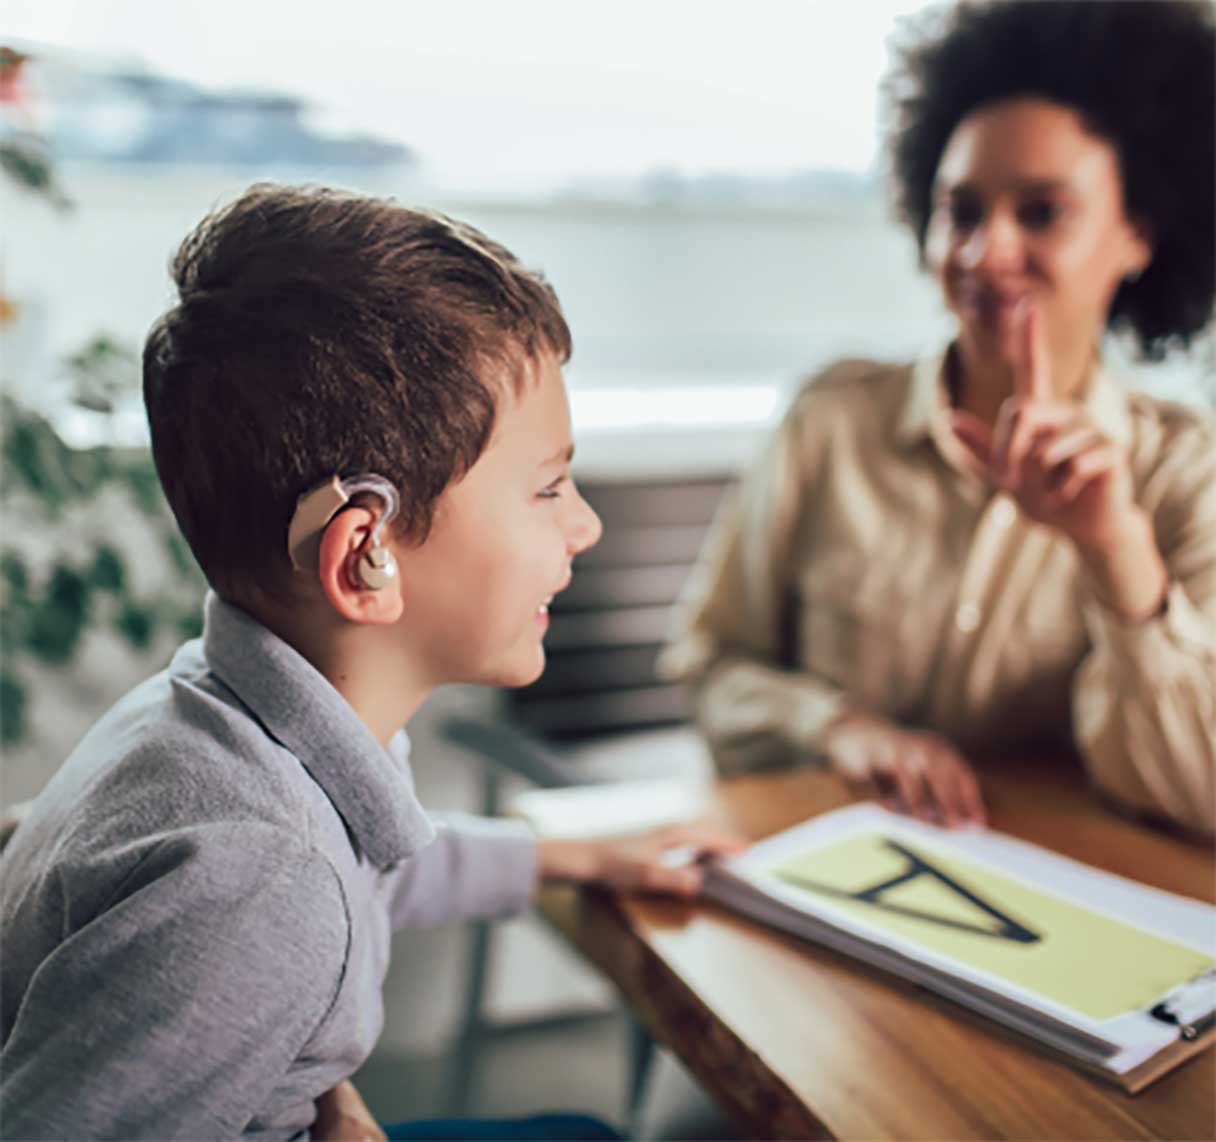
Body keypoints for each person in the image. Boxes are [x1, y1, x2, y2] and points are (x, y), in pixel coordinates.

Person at [0, 185, 746, 1141]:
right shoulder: (261, 884)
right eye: (549, 488)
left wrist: (572, 854)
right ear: (366, 557)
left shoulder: (233, 727)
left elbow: (376, 866)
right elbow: (294, 894)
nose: (586, 524)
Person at [662, 0, 1215, 834]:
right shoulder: (831, 425)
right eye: (961, 209)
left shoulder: (1182, 476)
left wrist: (1115, 554)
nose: (983, 251)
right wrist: (838, 728)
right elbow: (710, 667)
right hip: (831, 875)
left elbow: (1197, 789)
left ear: (1138, 233)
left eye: (1040, 212)